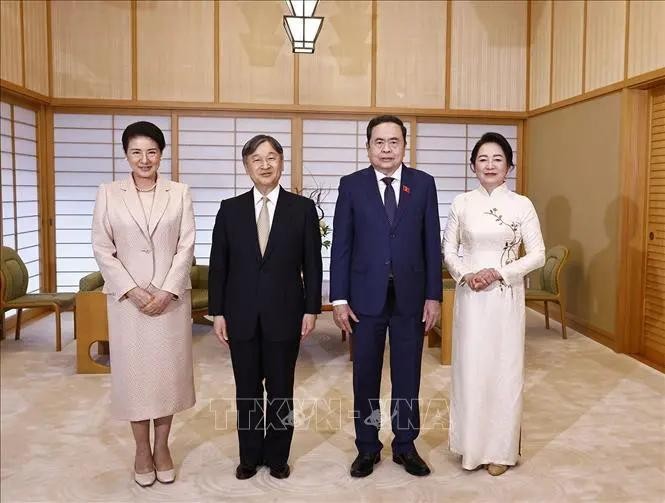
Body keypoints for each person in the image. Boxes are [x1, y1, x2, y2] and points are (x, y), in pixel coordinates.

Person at [330, 115, 442, 478]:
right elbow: (341, 246)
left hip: (411, 297)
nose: (387, 149)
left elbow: (430, 244)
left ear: (404, 145)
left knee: (408, 374)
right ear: (368, 147)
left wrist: (433, 295)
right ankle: (367, 447)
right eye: (379, 142)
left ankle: (405, 445)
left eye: (394, 141)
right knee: (365, 375)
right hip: (365, 299)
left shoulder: (423, 185)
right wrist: (339, 298)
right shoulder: (352, 185)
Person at [208, 134, 322, 480]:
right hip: (239, 314)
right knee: (246, 389)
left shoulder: (301, 209)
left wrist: (311, 309)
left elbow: (313, 264)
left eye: (271, 157)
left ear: (282, 163)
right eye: (256, 159)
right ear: (246, 167)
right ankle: (249, 456)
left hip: (285, 313)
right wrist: (218, 312)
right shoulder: (230, 209)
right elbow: (218, 265)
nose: (265, 165)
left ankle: (277, 457)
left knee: (281, 389)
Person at [91, 121, 196, 487]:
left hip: (169, 301)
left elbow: (186, 246)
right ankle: (141, 450)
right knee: (134, 380)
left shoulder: (179, 192)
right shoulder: (108, 193)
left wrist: (167, 290)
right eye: (136, 151)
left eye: (151, 151)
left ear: (161, 154)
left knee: (167, 378)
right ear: (126, 155)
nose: (144, 158)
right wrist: (133, 291)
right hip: (128, 303)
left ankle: (163, 447)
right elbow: (102, 248)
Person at [442, 132, 545, 476]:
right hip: (471, 296)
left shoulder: (522, 205)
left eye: (497, 159)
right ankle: (470, 447)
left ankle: (500, 451)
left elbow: (538, 254)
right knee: (470, 369)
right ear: (473, 165)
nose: (490, 165)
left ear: (509, 167)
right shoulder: (461, 203)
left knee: (503, 369)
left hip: (504, 296)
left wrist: (498, 272)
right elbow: (449, 250)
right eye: (483, 159)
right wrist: (467, 274)